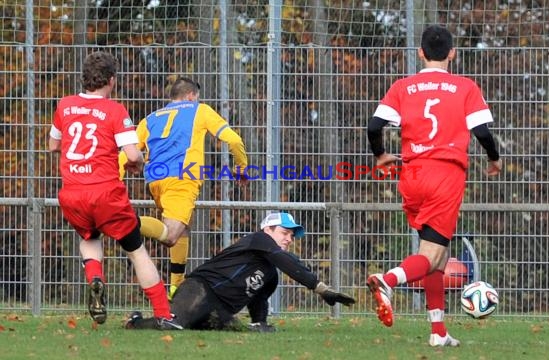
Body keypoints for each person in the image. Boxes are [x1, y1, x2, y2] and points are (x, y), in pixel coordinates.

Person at [366, 25, 502, 347]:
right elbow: (481, 132)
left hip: (412, 174)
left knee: (439, 258)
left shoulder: (403, 86)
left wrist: (382, 155)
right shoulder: (465, 87)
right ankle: (387, 280)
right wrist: (494, 159)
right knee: (431, 253)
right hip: (445, 175)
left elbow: (374, 126)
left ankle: (438, 332)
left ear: (421, 52)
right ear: (452, 53)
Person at [48, 51, 182, 330]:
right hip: (106, 192)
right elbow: (132, 155)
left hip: (72, 192)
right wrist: (139, 163)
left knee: (89, 236)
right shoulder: (115, 110)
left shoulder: (65, 105)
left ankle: (95, 277)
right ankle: (164, 314)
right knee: (136, 250)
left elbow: (53, 145)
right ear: (111, 80)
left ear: (84, 78)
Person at [119, 77, 248, 299]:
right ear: (191, 96)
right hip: (182, 178)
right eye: (196, 97)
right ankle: (121, 220)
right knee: (170, 235)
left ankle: (175, 288)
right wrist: (241, 167)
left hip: (155, 181)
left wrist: (116, 182)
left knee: (181, 231)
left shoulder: (150, 119)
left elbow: (125, 154)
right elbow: (234, 140)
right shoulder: (200, 110)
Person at [124, 212, 356, 331]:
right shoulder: (259, 239)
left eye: (292, 236)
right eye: (285, 232)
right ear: (268, 229)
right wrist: (322, 289)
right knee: (173, 325)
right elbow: (287, 261)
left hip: (220, 310)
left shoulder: (271, 273)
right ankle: (135, 322)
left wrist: (260, 323)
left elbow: (259, 298)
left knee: (240, 329)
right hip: (200, 290)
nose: (289, 239)